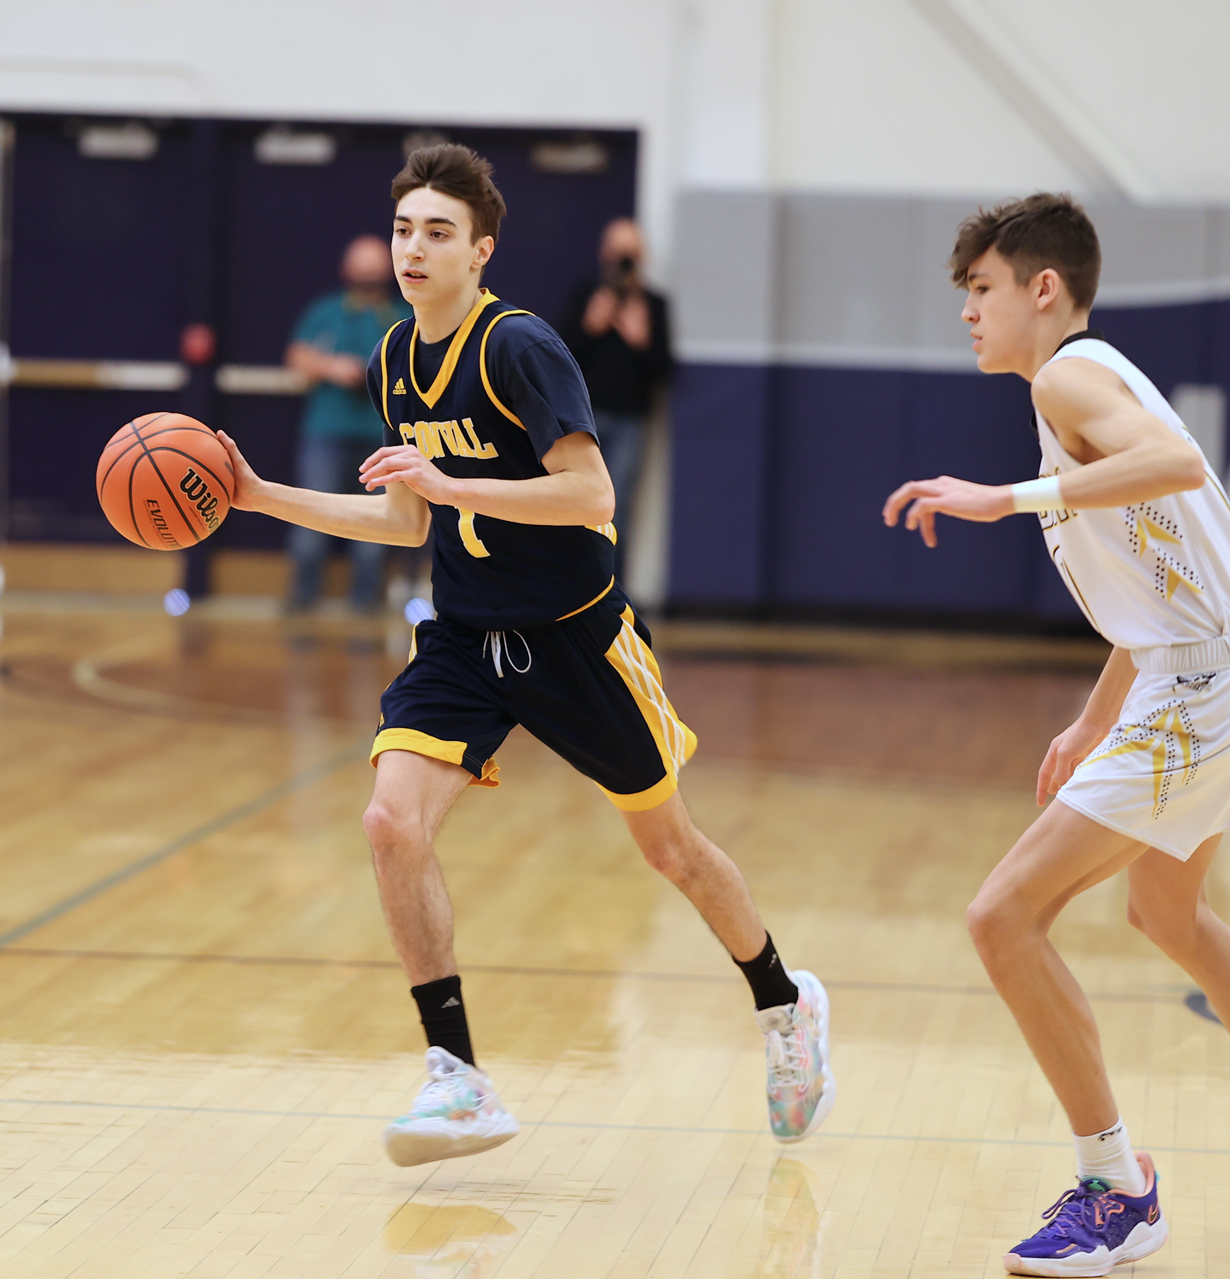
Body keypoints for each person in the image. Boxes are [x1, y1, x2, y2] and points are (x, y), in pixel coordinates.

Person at [217, 144, 832, 1167]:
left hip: (576, 636)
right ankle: (457, 1077)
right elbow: (405, 520)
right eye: (405, 229)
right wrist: (259, 496)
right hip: (464, 637)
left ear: (481, 251)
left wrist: (455, 485)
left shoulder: (521, 347)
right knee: (389, 820)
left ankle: (784, 1003)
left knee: (671, 849)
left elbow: (592, 495)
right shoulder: (393, 359)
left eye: (438, 232)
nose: (414, 249)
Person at [883, 193, 1230, 1276]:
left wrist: (1002, 497)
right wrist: (1094, 716)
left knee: (1003, 917)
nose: (968, 312)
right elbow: (1159, 580)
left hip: (1205, 691)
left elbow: (1175, 462)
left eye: (981, 289)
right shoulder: (1088, 381)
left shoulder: (1067, 378)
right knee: (1169, 913)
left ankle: (1118, 1189)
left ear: (1044, 288)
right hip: (1216, 671)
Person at [283, 235, 408, 612]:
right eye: (361, 266)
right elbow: (296, 357)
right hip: (327, 434)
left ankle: (365, 608)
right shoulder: (325, 311)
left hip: (382, 439)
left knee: (374, 531)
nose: (368, 274)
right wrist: (332, 367)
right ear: (346, 270)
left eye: (374, 266)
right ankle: (301, 603)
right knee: (311, 521)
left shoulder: (403, 315)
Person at [557, 217, 671, 568]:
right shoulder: (585, 295)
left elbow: (664, 370)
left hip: (629, 421)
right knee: (571, 503)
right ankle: (571, 582)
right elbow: (558, 357)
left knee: (614, 507)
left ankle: (610, 586)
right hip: (580, 420)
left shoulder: (653, 304)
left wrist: (641, 340)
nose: (622, 262)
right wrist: (591, 326)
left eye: (630, 254)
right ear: (603, 254)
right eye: (617, 252)